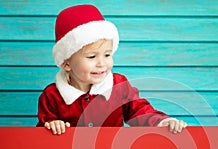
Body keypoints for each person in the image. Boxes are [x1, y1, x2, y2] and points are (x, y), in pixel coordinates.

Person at [37, 4, 187, 135]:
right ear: (66, 64)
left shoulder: (118, 85)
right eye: (91, 57)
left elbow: (139, 111)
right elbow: (40, 136)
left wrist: (162, 122)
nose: (102, 63)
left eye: (107, 55)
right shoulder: (52, 96)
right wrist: (51, 126)